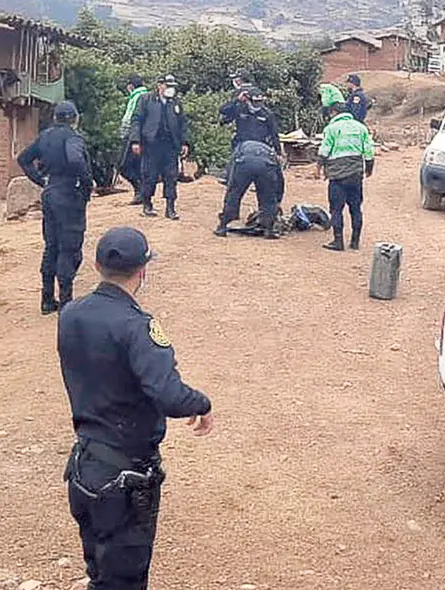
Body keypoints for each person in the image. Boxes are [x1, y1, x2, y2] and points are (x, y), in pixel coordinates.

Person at [58, 226, 213, 589]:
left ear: (96, 266)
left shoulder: (71, 314)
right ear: (143, 270)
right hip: (123, 480)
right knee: (124, 580)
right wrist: (201, 402)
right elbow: (168, 394)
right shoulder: (137, 327)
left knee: (99, 572)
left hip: (85, 469)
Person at [16, 101, 93, 314]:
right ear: (73, 118)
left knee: (52, 246)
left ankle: (47, 300)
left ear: (56, 118)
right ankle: (66, 303)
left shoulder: (45, 136)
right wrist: (87, 185)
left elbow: (23, 159)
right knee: (69, 248)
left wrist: (41, 181)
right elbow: (76, 159)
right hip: (68, 195)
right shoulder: (72, 137)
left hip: (50, 195)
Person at [316, 97, 374, 251]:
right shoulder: (360, 127)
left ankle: (338, 241)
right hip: (355, 174)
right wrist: (369, 168)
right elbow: (369, 151)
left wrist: (318, 169)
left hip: (337, 176)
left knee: (336, 209)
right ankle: (355, 242)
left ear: (334, 113)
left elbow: (324, 151)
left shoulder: (331, 129)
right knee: (355, 208)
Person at [130, 74, 190, 220]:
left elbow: (183, 123)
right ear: (159, 85)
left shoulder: (175, 102)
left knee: (171, 176)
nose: (170, 89)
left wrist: (185, 143)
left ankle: (170, 208)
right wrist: (135, 141)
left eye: (172, 87)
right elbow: (136, 120)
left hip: (170, 145)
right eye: (168, 86)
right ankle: (147, 204)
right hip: (151, 144)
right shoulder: (146, 99)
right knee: (149, 175)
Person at [214, 140, 285, 239]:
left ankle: (222, 227)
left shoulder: (239, 148)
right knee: (268, 198)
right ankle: (269, 230)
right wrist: (277, 202)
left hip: (244, 163)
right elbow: (279, 181)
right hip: (266, 165)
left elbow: (230, 177)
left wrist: (230, 185)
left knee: (234, 195)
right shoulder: (270, 152)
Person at [219, 86, 282, 185]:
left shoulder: (267, 114)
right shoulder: (240, 109)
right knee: (233, 163)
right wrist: (237, 100)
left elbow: (274, 133)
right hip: (241, 145)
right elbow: (223, 110)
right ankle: (228, 178)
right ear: (248, 100)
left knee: (272, 170)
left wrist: (278, 152)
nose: (258, 104)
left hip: (261, 147)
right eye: (255, 101)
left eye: (260, 101)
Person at [119, 74, 149, 205]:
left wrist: (126, 134)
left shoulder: (138, 97)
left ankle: (140, 191)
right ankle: (141, 192)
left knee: (124, 166)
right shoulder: (146, 96)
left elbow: (132, 118)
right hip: (141, 136)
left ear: (130, 86)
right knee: (136, 165)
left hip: (135, 136)